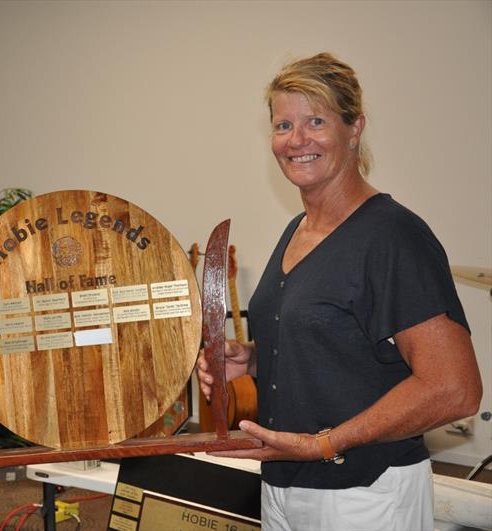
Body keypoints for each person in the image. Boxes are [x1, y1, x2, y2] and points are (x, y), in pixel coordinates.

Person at [197, 53, 482, 530]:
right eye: (283, 125)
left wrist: (324, 443)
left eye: (315, 121)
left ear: (354, 129)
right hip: (283, 485)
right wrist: (252, 358)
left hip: (364, 494)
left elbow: (454, 388)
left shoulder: (392, 235)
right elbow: (338, 343)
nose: (297, 140)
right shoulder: (296, 231)